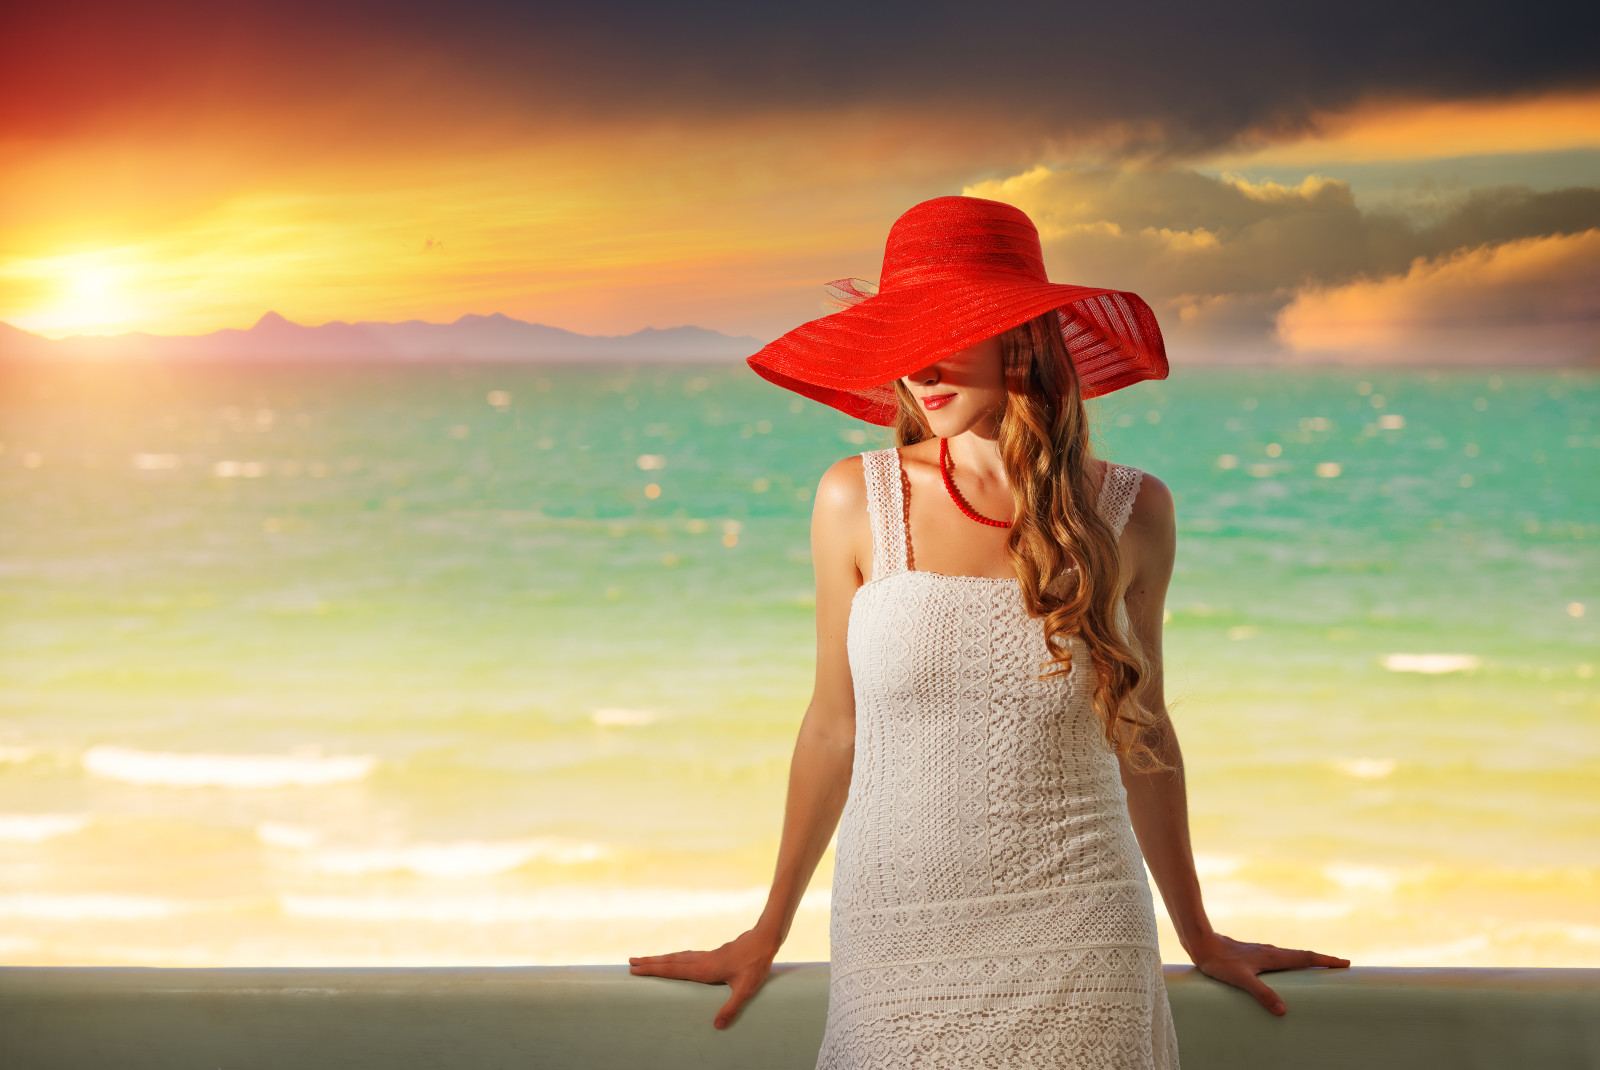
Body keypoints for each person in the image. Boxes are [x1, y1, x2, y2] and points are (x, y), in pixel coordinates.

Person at [629, 195, 1349, 1068]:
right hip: (895, 933)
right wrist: (765, 931)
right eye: (904, 335)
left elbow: (1143, 729)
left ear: (1022, 337)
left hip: (1080, 927)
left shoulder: (1130, 512)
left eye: (952, 327)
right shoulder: (855, 499)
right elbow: (832, 727)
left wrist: (1197, 935)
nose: (920, 365)